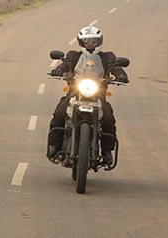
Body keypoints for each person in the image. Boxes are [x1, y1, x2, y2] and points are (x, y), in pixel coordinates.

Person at [46, 25, 128, 165]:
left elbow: (115, 66)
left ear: (99, 42)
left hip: (98, 95)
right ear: (81, 42)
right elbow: (66, 64)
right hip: (75, 93)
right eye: (87, 41)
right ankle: (55, 146)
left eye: (93, 41)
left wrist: (121, 75)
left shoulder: (107, 57)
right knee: (59, 112)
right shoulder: (74, 55)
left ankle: (107, 151)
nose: (90, 44)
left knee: (108, 117)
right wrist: (58, 70)